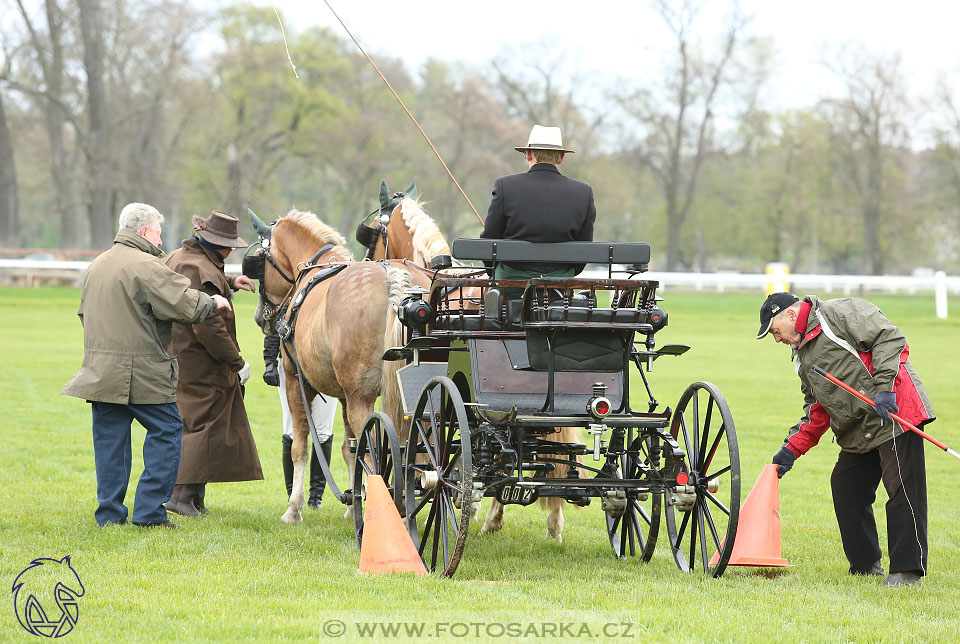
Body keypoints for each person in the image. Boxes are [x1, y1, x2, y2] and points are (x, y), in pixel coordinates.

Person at [62, 202, 232, 529]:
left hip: (100, 373)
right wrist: (213, 302)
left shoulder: (97, 265)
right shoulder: (148, 265)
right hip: (143, 373)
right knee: (168, 432)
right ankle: (150, 513)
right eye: (157, 231)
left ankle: (110, 516)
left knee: (110, 444)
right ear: (143, 232)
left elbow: (85, 314)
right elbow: (183, 304)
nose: (160, 238)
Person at [757, 292, 934, 587]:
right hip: (860, 428)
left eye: (775, 331)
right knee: (846, 486)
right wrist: (790, 450)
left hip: (895, 410)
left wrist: (885, 389)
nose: (777, 340)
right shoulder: (803, 360)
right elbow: (817, 411)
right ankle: (865, 566)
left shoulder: (839, 313)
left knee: (903, 487)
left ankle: (907, 570)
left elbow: (889, 339)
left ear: (790, 315)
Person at [164, 211, 263, 516]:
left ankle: (192, 496)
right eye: (229, 246)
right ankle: (181, 497)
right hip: (200, 360)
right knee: (202, 425)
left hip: (179, 353)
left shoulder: (182, 257)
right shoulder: (200, 268)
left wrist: (232, 281)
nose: (230, 251)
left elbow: (201, 282)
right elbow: (209, 327)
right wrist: (237, 361)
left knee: (196, 422)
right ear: (220, 245)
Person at [481, 124, 596, 282]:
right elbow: (583, 251)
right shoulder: (584, 193)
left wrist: (493, 270)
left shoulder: (505, 186)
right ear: (561, 158)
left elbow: (489, 240)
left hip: (511, 284)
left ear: (528, 154)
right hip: (560, 285)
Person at [263, 334, 336, 509]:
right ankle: (293, 493)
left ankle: (315, 497)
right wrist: (270, 362)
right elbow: (274, 326)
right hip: (292, 368)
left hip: (325, 367)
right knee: (291, 430)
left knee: (323, 432)